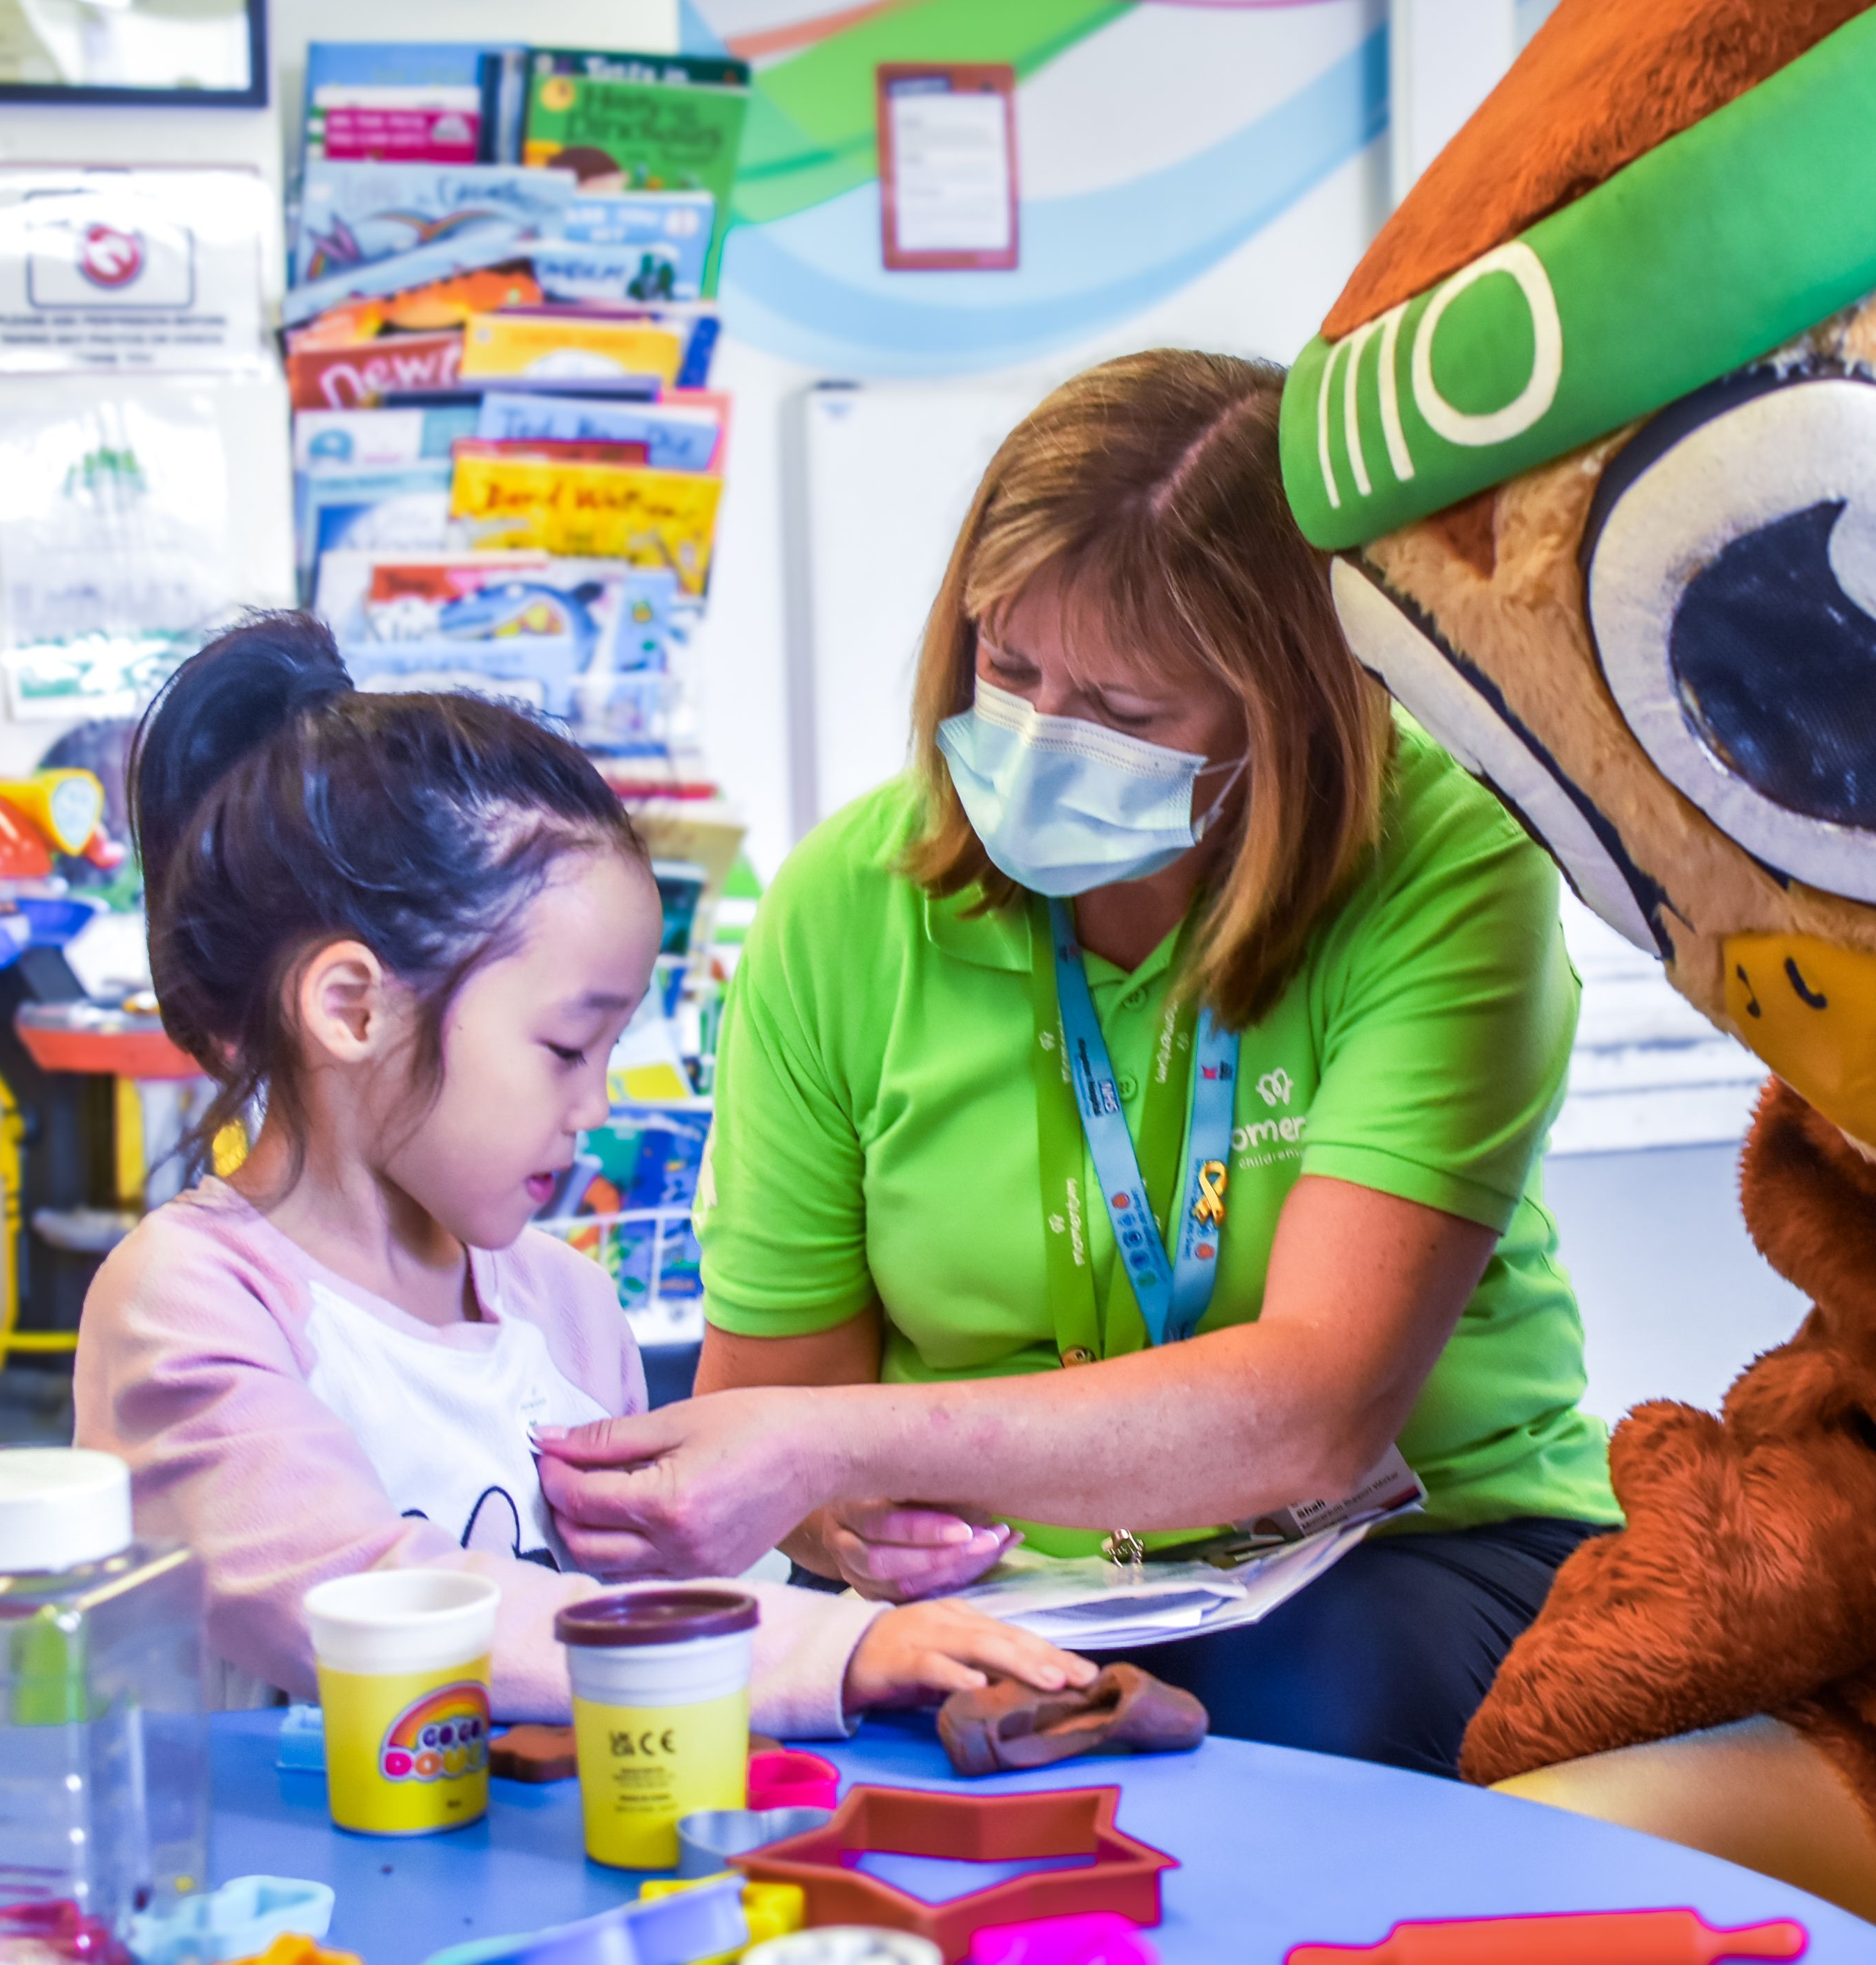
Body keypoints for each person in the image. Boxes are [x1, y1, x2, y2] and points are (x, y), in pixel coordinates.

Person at [538, 351, 1619, 1775]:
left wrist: (844, 1445)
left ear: (1288, 708)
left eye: (1127, 710)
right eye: (1010, 666)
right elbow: (779, 1397)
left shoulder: (1448, 866)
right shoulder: (847, 903)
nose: (1044, 742)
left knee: (1273, 1729)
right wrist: (840, 1516)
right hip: (1011, 1587)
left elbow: (1314, 1414)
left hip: (1399, 1550)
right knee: (845, 1748)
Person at [74, 614, 1090, 1726]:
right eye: (566, 1048)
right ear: (353, 1008)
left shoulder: (564, 1304)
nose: (595, 1107)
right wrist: (828, 1649)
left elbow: (652, 1617)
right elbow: (370, 1597)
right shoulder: (189, 1303)